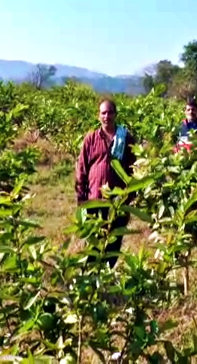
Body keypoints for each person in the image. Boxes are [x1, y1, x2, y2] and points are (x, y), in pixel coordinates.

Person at [75, 98, 137, 268]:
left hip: (117, 201)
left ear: (116, 114)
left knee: (114, 241)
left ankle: (107, 274)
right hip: (94, 198)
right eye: (103, 113)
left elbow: (134, 168)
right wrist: (81, 195)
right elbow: (82, 167)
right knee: (94, 240)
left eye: (110, 112)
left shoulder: (126, 138)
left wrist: (130, 196)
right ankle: (90, 275)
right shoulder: (91, 139)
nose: (106, 116)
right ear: (98, 116)